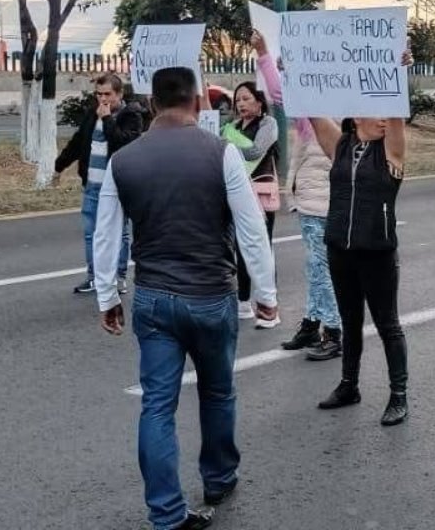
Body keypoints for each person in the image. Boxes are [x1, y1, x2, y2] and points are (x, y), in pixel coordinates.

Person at [93, 67, 279, 530]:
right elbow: (251, 228)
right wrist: (265, 292)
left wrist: (106, 295)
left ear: (152, 104)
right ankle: (218, 476)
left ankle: (166, 514)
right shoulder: (223, 154)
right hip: (211, 297)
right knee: (217, 392)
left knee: (157, 406)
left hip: (154, 299)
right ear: (197, 102)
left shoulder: (124, 161)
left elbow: (106, 234)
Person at [307, 110, 410, 426]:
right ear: (356, 118)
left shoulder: (390, 151)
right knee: (350, 324)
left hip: (377, 253)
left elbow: (395, 110)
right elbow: (312, 110)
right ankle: (349, 385)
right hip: (340, 250)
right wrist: (295, 71)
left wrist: (397, 68)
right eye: (374, 114)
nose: (383, 120)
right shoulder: (341, 145)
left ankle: (399, 395)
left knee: (387, 325)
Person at [247, 32, 341, 359]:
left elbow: (278, 92)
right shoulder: (313, 106)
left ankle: (333, 330)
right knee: (316, 267)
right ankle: (313, 323)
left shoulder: (335, 107)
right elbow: (279, 91)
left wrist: (264, 53)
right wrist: (269, 57)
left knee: (322, 267)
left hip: (325, 202)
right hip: (311, 200)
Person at [54, 73, 145, 295]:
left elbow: (124, 144)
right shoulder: (91, 114)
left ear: (119, 94)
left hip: (117, 186)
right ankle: (94, 275)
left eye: (108, 94)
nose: (103, 99)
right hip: (93, 185)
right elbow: (78, 142)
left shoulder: (131, 116)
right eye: (99, 94)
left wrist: (107, 120)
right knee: (91, 232)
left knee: (118, 232)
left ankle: (119, 276)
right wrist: (59, 166)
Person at [221, 80, 280, 329]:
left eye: (246, 98)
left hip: (260, 193)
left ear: (259, 101)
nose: (241, 104)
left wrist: (230, 146)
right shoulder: (231, 126)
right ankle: (243, 301)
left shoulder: (268, 124)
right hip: (237, 193)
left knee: (260, 247)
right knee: (238, 249)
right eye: (238, 100)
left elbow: (256, 151)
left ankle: (268, 305)